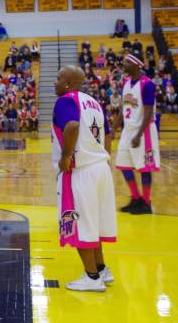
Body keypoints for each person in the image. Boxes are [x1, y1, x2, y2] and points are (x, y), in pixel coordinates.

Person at [52, 65, 116, 292]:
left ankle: (91, 278)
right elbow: (109, 134)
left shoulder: (65, 101)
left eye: (59, 78)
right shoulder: (94, 102)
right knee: (95, 223)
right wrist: (103, 156)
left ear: (69, 83)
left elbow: (72, 125)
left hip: (80, 171)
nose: (55, 81)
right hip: (101, 168)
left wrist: (65, 156)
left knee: (79, 223)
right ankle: (101, 269)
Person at [113, 54, 159, 215]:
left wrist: (139, 134)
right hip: (127, 130)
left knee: (144, 167)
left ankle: (146, 202)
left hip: (143, 130)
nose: (123, 65)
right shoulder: (125, 83)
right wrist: (113, 128)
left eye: (126, 62)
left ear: (135, 65)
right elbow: (122, 108)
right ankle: (136, 198)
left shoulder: (147, 85)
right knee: (123, 164)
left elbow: (148, 111)